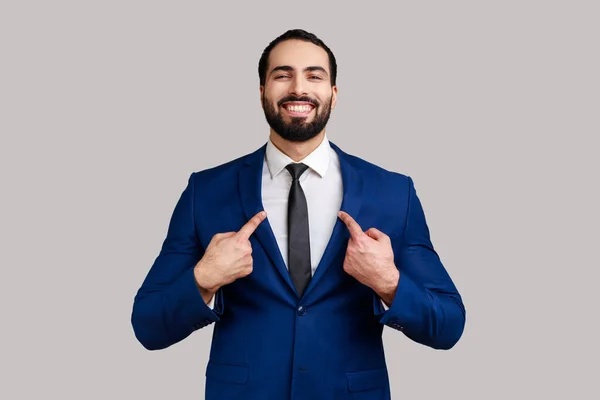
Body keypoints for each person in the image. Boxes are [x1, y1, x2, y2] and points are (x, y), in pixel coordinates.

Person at [131, 29, 466, 399]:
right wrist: (204, 279)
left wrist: (388, 282)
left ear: (333, 95)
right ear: (262, 92)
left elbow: (448, 325)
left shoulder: (392, 193)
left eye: (314, 75)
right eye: (282, 74)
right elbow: (148, 325)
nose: (298, 88)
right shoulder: (205, 191)